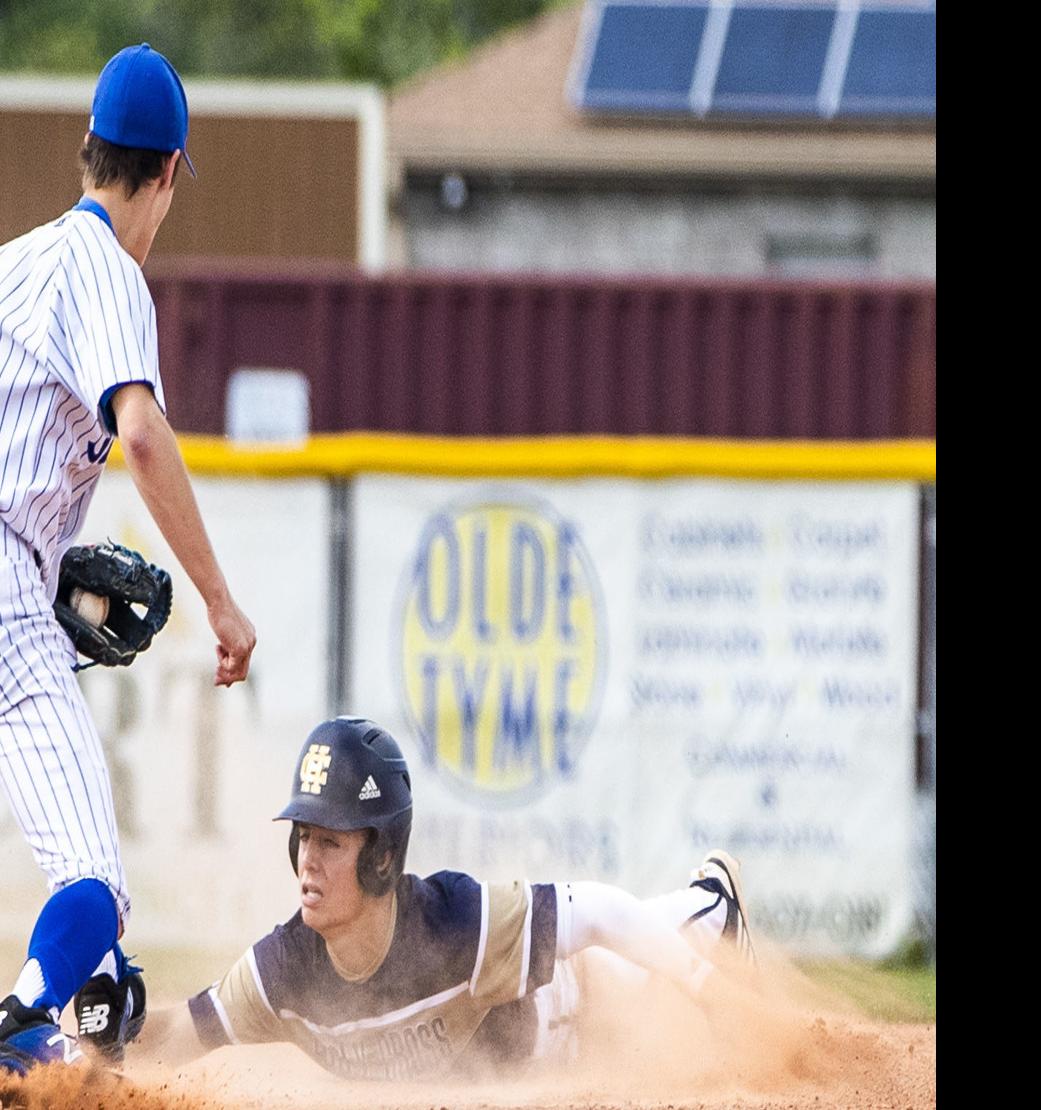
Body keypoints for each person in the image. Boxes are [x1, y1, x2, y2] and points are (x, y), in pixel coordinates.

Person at [0, 43, 256, 1073]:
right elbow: (141, 434)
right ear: (166, 173)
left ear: (88, 152)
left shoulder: (16, 263)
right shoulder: (105, 267)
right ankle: (19, 1028)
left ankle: (94, 995)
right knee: (95, 879)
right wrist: (222, 604)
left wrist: (46, 568)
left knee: (93, 926)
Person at [93, 717, 755, 1081]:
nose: (308, 863)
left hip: (576, 1005)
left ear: (381, 854)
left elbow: (604, 913)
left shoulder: (455, 922)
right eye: (303, 838)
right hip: (536, 1085)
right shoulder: (283, 971)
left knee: (646, 976)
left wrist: (703, 986)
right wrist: (105, 1034)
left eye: (332, 841)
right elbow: (188, 1030)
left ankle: (711, 903)